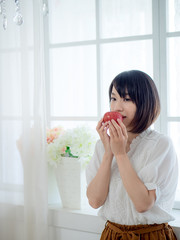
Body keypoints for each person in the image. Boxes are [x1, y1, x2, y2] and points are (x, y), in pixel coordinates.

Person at [86, 70, 178, 240]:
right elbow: (94, 201)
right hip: (112, 234)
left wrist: (120, 154)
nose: (117, 107)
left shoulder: (160, 144)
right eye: (114, 98)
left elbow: (143, 204)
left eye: (127, 99)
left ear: (145, 102)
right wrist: (108, 153)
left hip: (150, 235)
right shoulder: (102, 145)